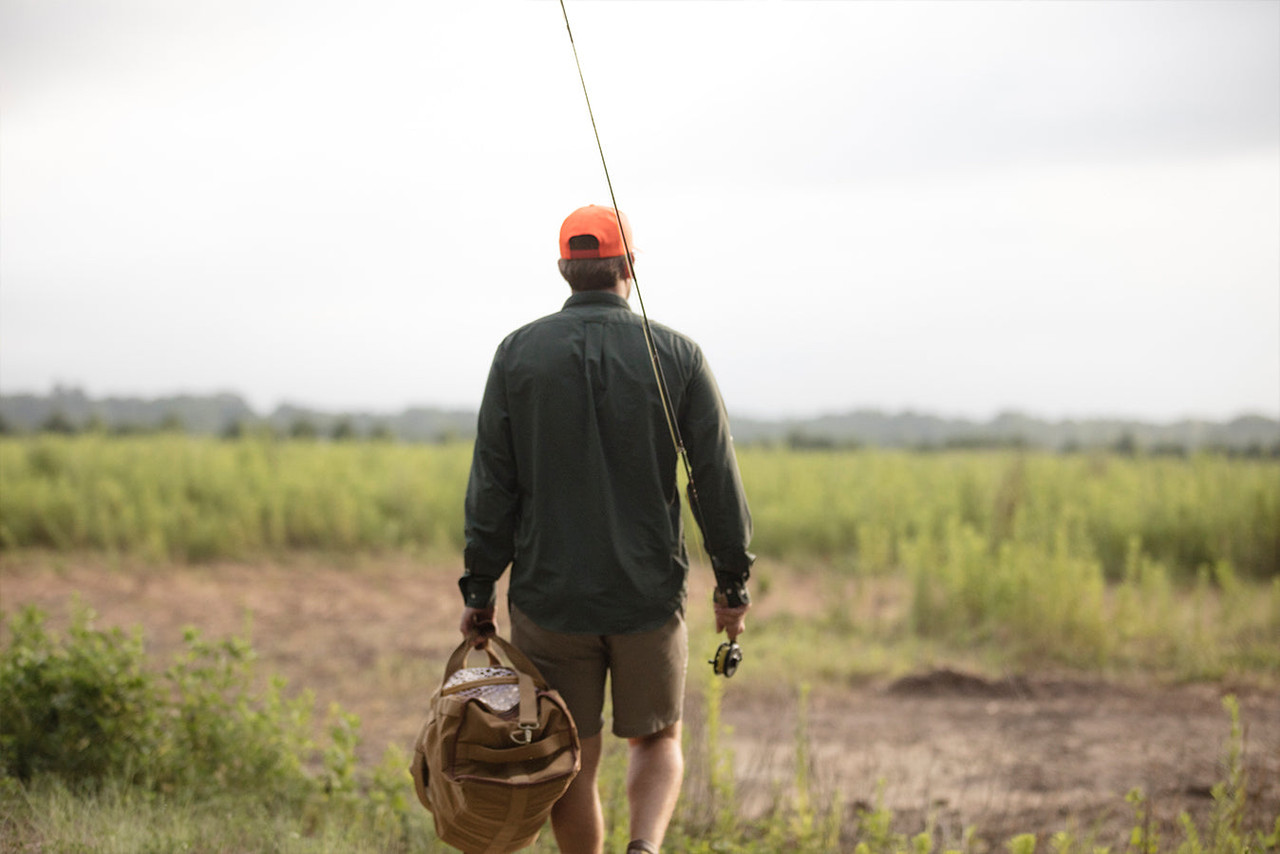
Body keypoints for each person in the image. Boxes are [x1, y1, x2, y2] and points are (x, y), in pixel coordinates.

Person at [458, 204, 754, 854]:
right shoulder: (679, 354)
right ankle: (644, 849)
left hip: (549, 600)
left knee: (571, 759)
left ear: (565, 269)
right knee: (659, 738)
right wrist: (732, 583)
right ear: (627, 267)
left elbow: (492, 485)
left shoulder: (516, 354)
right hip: (648, 597)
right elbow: (714, 480)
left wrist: (479, 591)